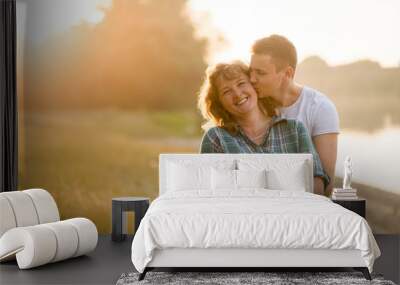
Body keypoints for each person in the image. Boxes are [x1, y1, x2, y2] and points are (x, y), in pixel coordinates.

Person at [198, 61, 329, 195]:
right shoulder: (216, 138)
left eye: (241, 83)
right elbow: (210, 193)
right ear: (220, 103)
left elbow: (316, 179)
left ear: (255, 86)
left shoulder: (294, 130)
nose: (237, 94)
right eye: (227, 91)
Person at [249, 35, 339, 196]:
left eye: (260, 73)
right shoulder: (250, 104)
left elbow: (326, 183)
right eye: (251, 71)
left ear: (288, 73)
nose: (252, 79)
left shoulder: (320, 108)